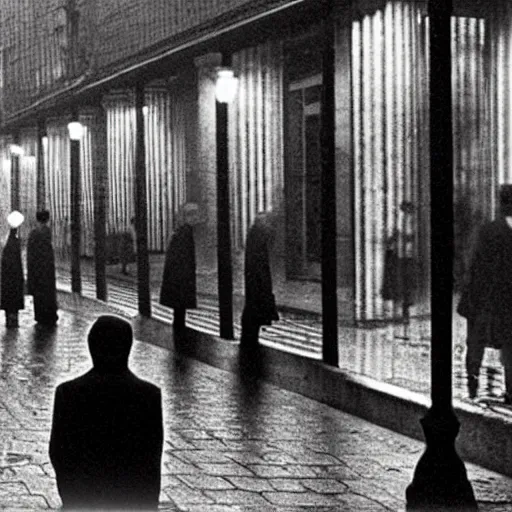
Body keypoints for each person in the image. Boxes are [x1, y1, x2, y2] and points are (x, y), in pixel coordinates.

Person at [49, 315, 163, 510]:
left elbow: (58, 451)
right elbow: (151, 457)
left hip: (82, 498)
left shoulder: (68, 392)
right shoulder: (148, 395)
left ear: (92, 346)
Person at [458, 184, 512, 402]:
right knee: (510, 344)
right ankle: (510, 390)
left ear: (500, 203)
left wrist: (470, 296)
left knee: (476, 341)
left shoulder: (488, 230)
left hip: (485, 299)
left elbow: (476, 265)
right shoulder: (492, 230)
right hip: (508, 301)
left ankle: (472, 380)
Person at [240, 211, 279, 348]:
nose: (266, 225)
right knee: (255, 310)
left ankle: (250, 337)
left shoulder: (255, 235)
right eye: (264, 222)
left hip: (255, 279)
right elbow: (259, 261)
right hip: (257, 280)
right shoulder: (258, 236)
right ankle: (250, 339)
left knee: (254, 309)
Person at [381, 201, 419, 336]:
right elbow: (393, 239)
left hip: (407, 257)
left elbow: (405, 238)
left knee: (406, 284)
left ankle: (405, 310)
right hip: (403, 257)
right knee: (403, 284)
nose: (407, 214)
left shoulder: (412, 223)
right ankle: (403, 311)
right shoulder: (402, 223)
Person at [159, 203, 199, 330]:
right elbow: (184, 257)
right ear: (187, 217)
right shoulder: (186, 232)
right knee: (180, 305)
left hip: (177, 275)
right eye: (193, 215)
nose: (196, 218)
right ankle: (180, 334)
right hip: (182, 276)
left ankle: (179, 328)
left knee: (179, 307)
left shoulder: (180, 231)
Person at [27, 210, 58, 326]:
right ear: (47, 219)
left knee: (39, 294)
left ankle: (41, 316)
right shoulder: (47, 232)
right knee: (48, 293)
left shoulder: (34, 233)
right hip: (47, 268)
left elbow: (31, 253)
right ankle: (50, 315)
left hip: (37, 268)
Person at [0, 211, 25, 328]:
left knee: (8, 300)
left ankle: (9, 319)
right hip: (14, 277)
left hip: (6, 277)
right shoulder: (15, 242)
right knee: (13, 301)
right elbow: (17, 262)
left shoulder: (7, 242)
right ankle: (13, 321)